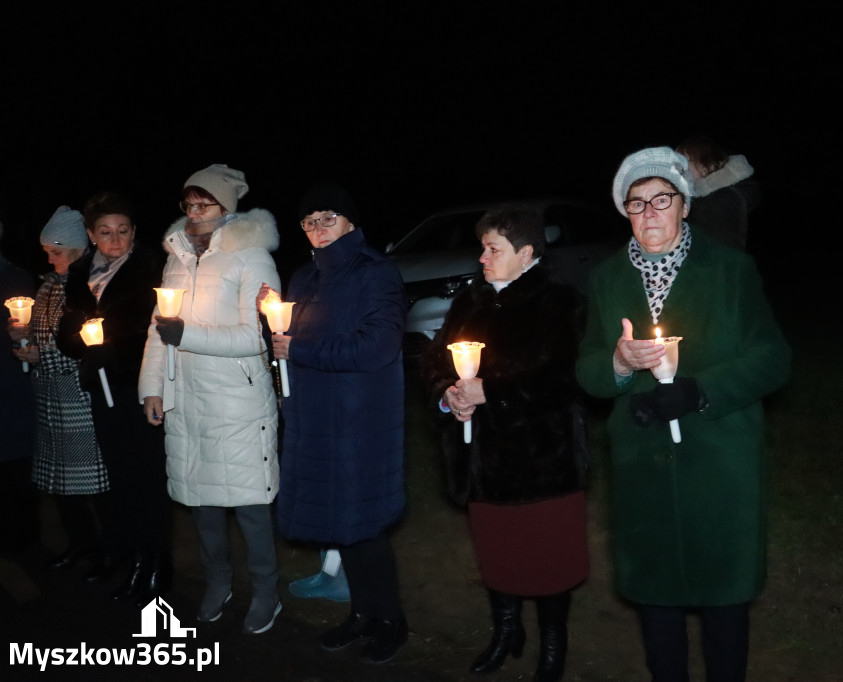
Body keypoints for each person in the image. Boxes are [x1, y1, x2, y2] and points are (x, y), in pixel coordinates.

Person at [575, 146, 790, 682]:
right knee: (656, 596)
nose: (649, 214)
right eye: (636, 203)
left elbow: (773, 358)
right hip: (643, 464)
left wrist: (700, 391)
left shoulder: (730, 271)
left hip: (719, 461)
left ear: (685, 205)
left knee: (723, 595)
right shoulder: (605, 279)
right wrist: (620, 364)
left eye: (661, 200)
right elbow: (588, 372)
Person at [422, 203, 589, 682]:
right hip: (481, 460)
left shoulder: (559, 303)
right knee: (497, 553)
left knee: (548, 560)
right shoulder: (468, 302)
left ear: (527, 252)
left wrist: (491, 393)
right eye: (482, 247)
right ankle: (505, 630)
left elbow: (561, 380)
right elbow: (435, 361)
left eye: (492, 248)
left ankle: (552, 647)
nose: (482, 257)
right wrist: (447, 396)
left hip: (541, 459)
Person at [262, 181, 408, 663]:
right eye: (309, 222)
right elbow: (291, 339)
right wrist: (272, 318)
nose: (318, 230)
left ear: (350, 222)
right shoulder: (305, 277)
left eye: (328, 219)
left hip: (360, 418)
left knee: (364, 525)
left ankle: (391, 621)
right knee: (341, 525)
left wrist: (299, 349)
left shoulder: (376, 273)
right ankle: (362, 614)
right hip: (316, 414)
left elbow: (378, 346)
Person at [138, 164, 282, 634]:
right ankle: (217, 582)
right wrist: (152, 387)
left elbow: (254, 337)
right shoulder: (176, 258)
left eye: (205, 204)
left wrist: (187, 333)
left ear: (226, 208)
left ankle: (266, 592)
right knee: (202, 503)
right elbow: (158, 332)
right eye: (189, 204)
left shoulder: (252, 256)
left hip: (237, 400)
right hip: (188, 397)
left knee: (249, 505)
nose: (195, 213)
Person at [55, 191, 170, 605]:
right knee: (119, 476)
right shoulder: (81, 270)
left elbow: (158, 328)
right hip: (100, 385)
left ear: (135, 232)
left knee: (146, 478)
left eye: (123, 231)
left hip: (139, 385)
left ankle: (156, 564)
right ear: (91, 234)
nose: (115, 239)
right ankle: (131, 557)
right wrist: (82, 341)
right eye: (105, 232)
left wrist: (112, 344)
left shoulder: (149, 268)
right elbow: (70, 330)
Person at [9, 206, 108, 569]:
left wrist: (44, 356)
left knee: (91, 485)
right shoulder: (48, 286)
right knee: (61, 485)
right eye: (47, 251)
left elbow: (91, 344)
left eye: (57, 251)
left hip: (78, 398)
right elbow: (39, 335)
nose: (50, 259)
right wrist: (20, 338)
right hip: (49, 397)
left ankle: (105, 550)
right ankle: (79, 544)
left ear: (78, 249)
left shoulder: (89, 286)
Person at [0, 218, 40, 553]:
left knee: (15, 466)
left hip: (11, 385)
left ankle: (24, 542)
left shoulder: (14, 278)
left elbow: (25, 333)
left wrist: (20, 338)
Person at [675, 135, 761, 252]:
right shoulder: (702, 198)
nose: (677, 171)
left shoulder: (720, 201)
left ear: (704, 165)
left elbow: (723, 257)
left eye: (683, 163)